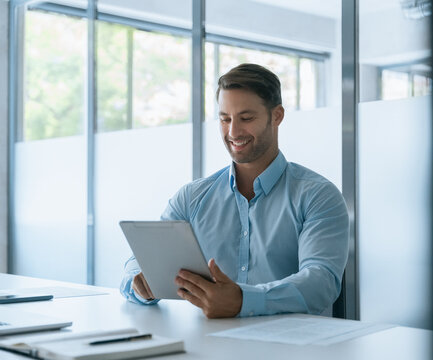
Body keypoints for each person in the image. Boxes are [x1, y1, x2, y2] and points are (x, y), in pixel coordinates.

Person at [120, 63, 349, 318]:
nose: (233, 132)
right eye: (225, 119)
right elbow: (139, 262)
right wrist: (139, 285)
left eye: (246, 118)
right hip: (208, 345)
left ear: (277, 116)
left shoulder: (318, 196)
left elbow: (321, 282)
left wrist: (243, 301)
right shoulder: (191, 198)